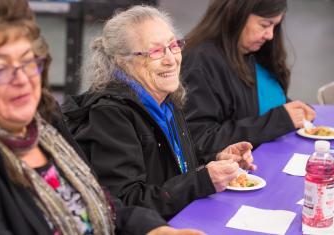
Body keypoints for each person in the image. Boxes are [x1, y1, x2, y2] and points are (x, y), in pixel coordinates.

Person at [0, 1, 205, 234]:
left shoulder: (44, 121)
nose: (23, 80)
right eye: (0, 69)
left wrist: (150, 228)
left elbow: (100, 200)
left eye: (29, 62)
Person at [62, 5, 256, 220]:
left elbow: (170, 163)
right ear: (121, 60)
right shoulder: (110, 115)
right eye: (155, 52)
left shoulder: (164, 97)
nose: (171, 60)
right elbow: (125, 203)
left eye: (173, 45)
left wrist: (217, 158)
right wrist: (202, 180)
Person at [181, 0, 316, 156]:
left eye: (275, 26)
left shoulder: (252, 52)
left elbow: (252, 104)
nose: (270, 35)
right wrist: (279, 120)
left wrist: (291, 109)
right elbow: (202, 139)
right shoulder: (200, 62)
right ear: (237, 14)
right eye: (264, 25)